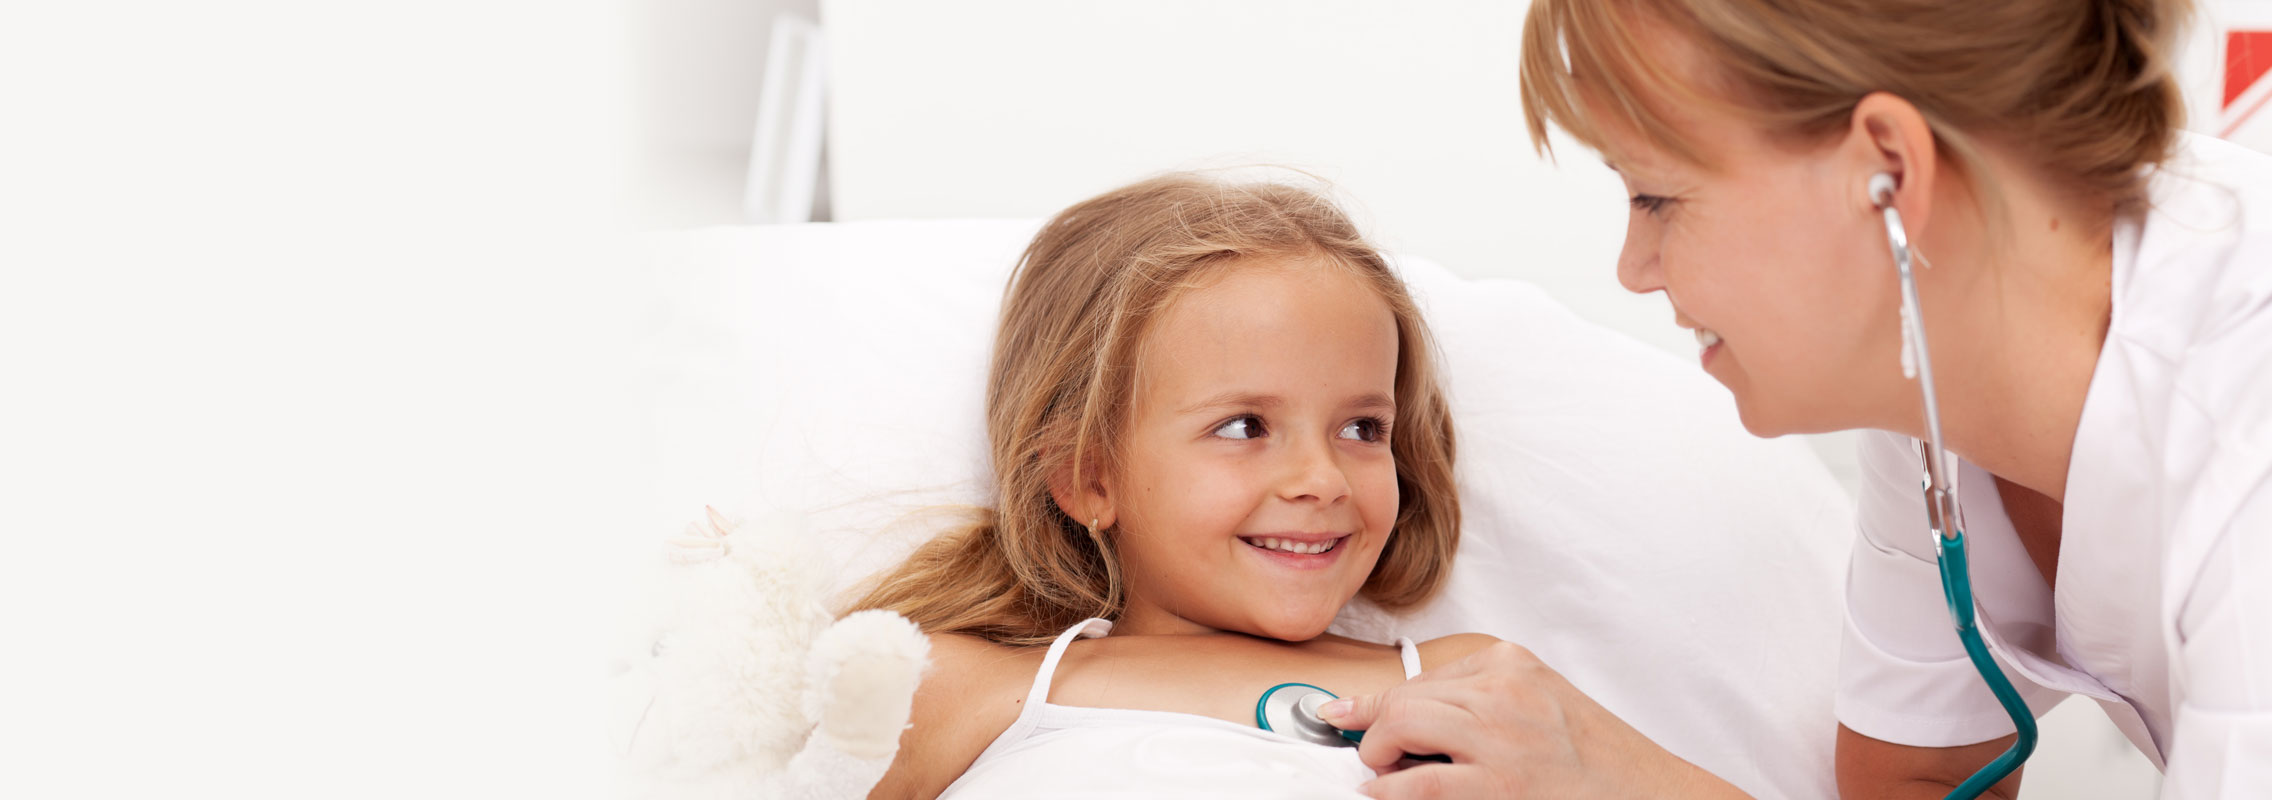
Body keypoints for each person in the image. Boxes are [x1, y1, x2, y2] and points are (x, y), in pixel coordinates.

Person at [1317, 1, 2272, 797]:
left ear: (1889, 174)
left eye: (1655, 197)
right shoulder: (1932, 373)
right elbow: (1916, 784)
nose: (1633, 269)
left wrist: (1627, 780)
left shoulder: (2247, 449)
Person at [851, 173, 1498, 799]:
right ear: (1087, 477)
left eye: (1361, 428)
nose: (1323, 481)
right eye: (1245, 426)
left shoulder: (1467, 681)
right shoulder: (955, 686)